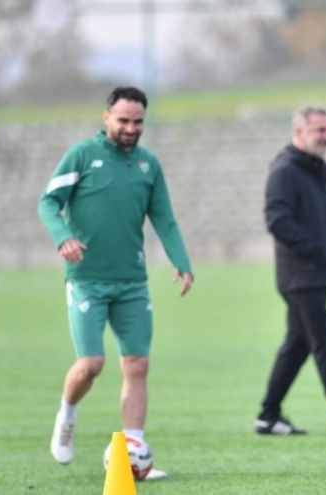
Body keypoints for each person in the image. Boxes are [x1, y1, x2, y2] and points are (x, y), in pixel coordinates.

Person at [38, 86, 193, 479]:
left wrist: (181, 260)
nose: (130, 128)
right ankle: (67, 415)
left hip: (132, 282)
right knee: (91, 364)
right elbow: (48, 202)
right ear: (106, 117)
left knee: (137, 365)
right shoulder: (82, 156)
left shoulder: (148, 165)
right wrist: (63, 237)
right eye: (123, 120)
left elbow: (164, 217)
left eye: (137, 122)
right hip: (87, 280)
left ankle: (134, 452)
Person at [255, 107, 326, 437]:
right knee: (325, 343)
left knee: (297, 346)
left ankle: (268, 414)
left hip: (314, 275)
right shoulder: (285, 171)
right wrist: (318, 249)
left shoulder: (311, 169)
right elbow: (277, 220)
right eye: (319, 130)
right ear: (299, 132)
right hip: (299, 276)